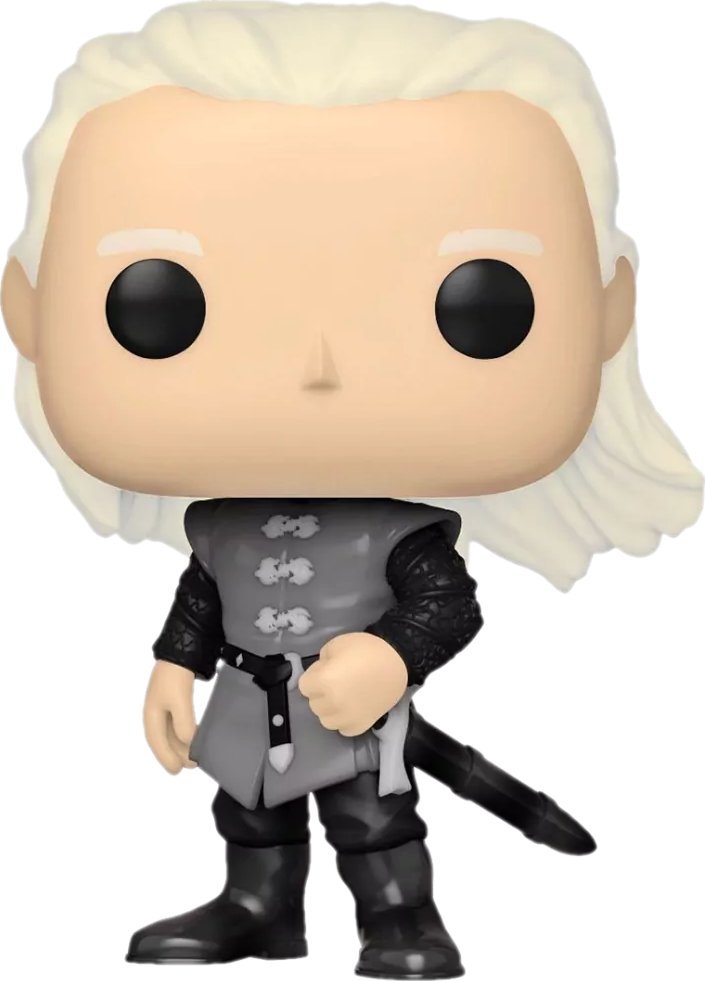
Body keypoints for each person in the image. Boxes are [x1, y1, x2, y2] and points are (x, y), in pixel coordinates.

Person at [2, 3, 701, 978]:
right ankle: (259, 908)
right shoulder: (220, 523)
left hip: (358, 715)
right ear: (27, 309)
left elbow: (447, 606)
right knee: (249, 806)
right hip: (248, 699)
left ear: (607, 307)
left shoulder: (402, 534)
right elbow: (205, 592)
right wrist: (172, 667)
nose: (318, 367)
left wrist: (389, 656)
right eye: (158, 305)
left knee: (372, 816)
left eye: (481, 305)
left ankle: (402, 918)